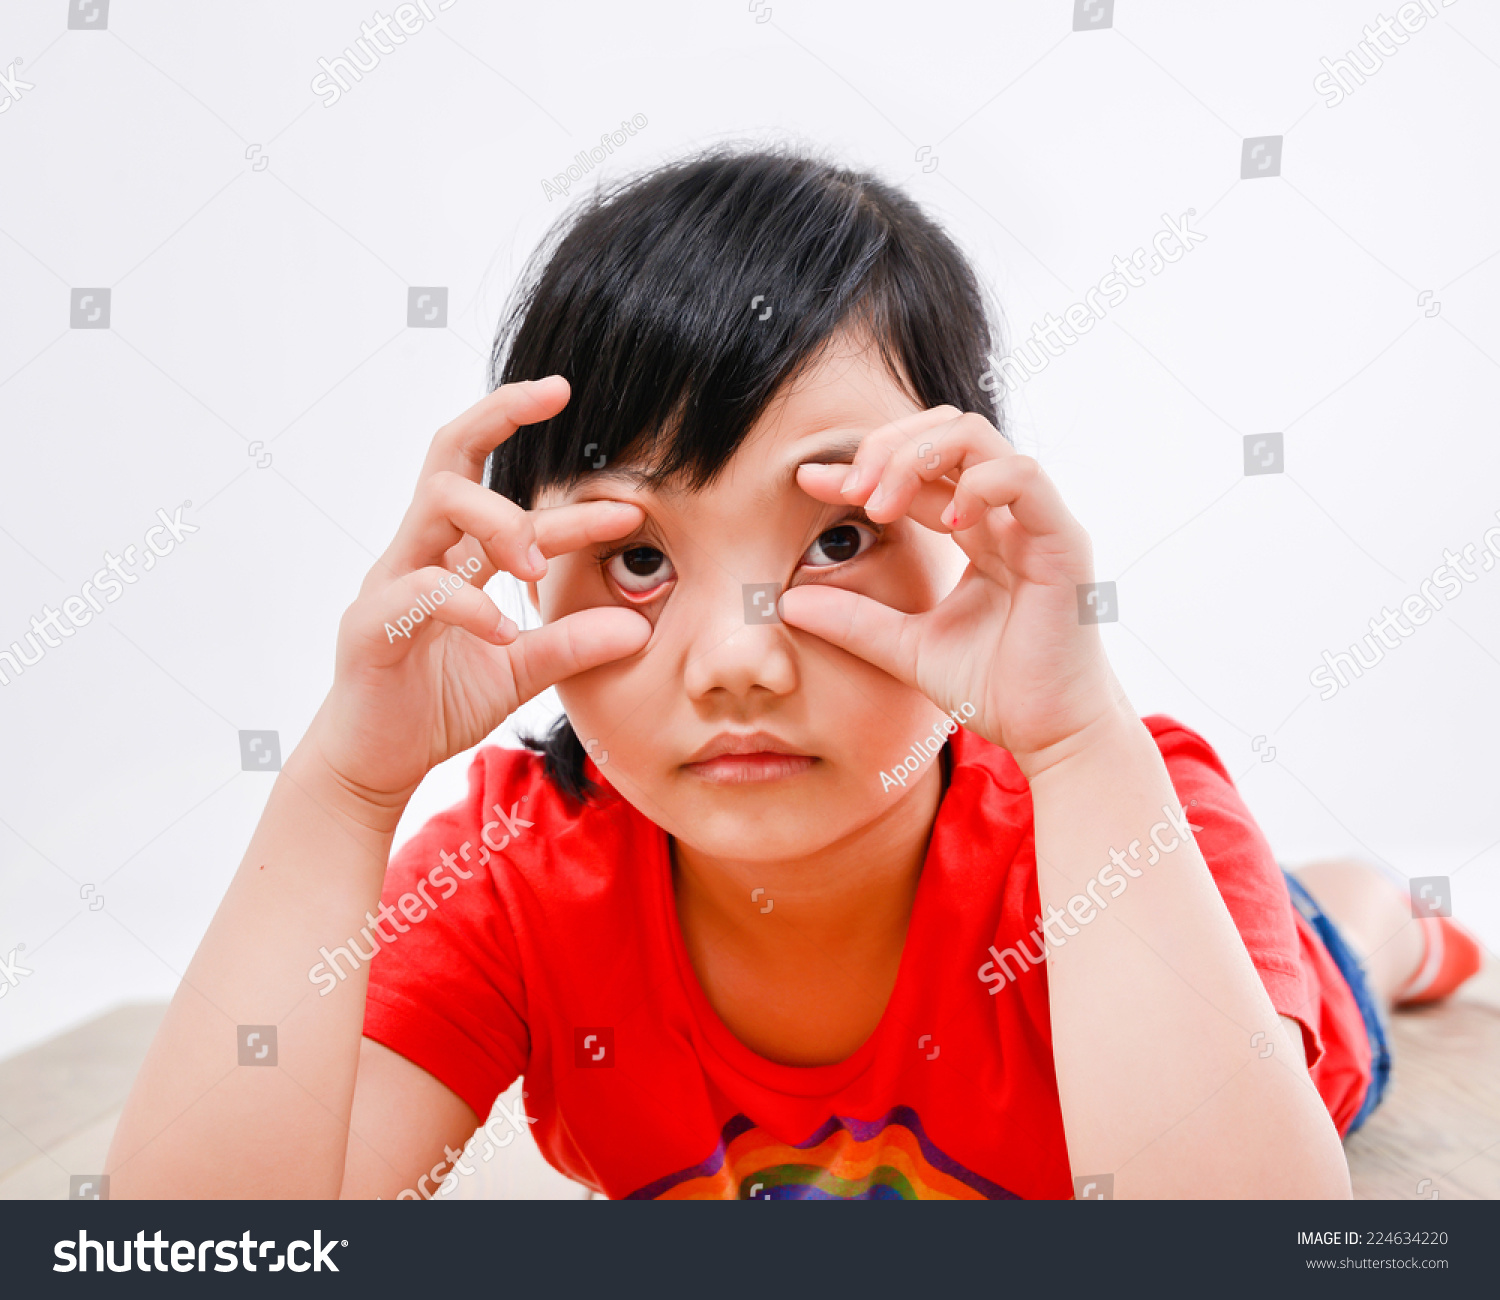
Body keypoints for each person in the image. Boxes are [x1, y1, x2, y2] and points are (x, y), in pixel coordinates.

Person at [107, 144, 1482, 1200]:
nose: (741, 661)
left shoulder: (1124, 813)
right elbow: (202, 1251)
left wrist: (1075, 752)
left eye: (835, 536)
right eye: (639, 558)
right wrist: (347, 784)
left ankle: (1368, 914)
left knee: (1340, 938)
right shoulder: (514, 880)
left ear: (966, 534)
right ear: (528, 561)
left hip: (1238, 975)